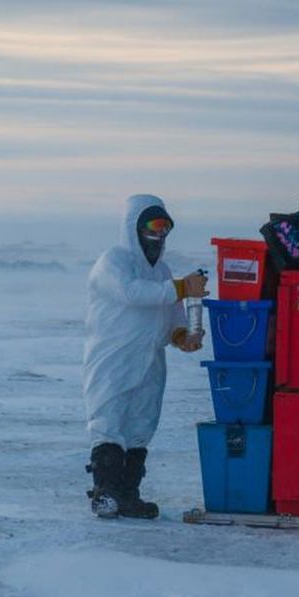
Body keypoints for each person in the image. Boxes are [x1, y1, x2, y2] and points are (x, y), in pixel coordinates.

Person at [81, 194, 207, 519]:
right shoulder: (114, 262)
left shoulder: (162, 271)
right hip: (113, 359)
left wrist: (182, 335)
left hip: (150, 362)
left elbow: (170, 312)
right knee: (109, 422)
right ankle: (105, 493)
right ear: (133, 226)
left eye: (165, 225)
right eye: (152, 224)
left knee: (141, 425)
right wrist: (182, 287)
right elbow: (132, 293)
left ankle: (128, 496)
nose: (158, 232)